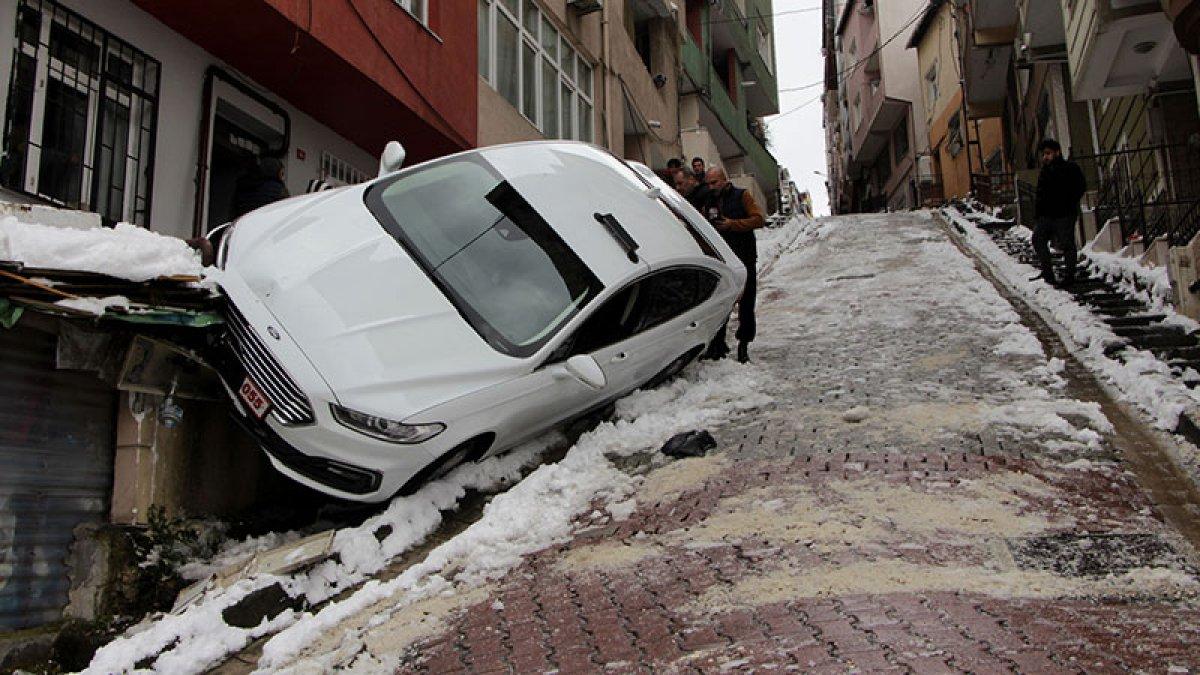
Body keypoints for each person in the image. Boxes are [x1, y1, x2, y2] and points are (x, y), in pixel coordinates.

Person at [704, 167, 765, 363]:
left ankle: (743, 344)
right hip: (723, 260)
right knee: (721, 302)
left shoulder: (742, 196)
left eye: (714, 182)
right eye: (708, 183)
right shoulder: (709, 201)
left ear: (724, 180)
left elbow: (758, 219)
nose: (711, 187)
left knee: (746, 304)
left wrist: (733, 224)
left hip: (744, 257)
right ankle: (717, 344)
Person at [1032, 139, 1086, 286]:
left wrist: (1069, 202)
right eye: (1044, 154)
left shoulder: (1070, 168)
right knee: (1038, 239)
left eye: (1048, 153)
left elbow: (1080, 187)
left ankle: (1069, 276)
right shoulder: (1045, 171)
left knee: (1066, 243)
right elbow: (1040, 194)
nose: (1045, 157)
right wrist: (1038, 215)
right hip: (1046, 215)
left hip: (1064, 214)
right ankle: (1048, 273)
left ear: (1057, 152)